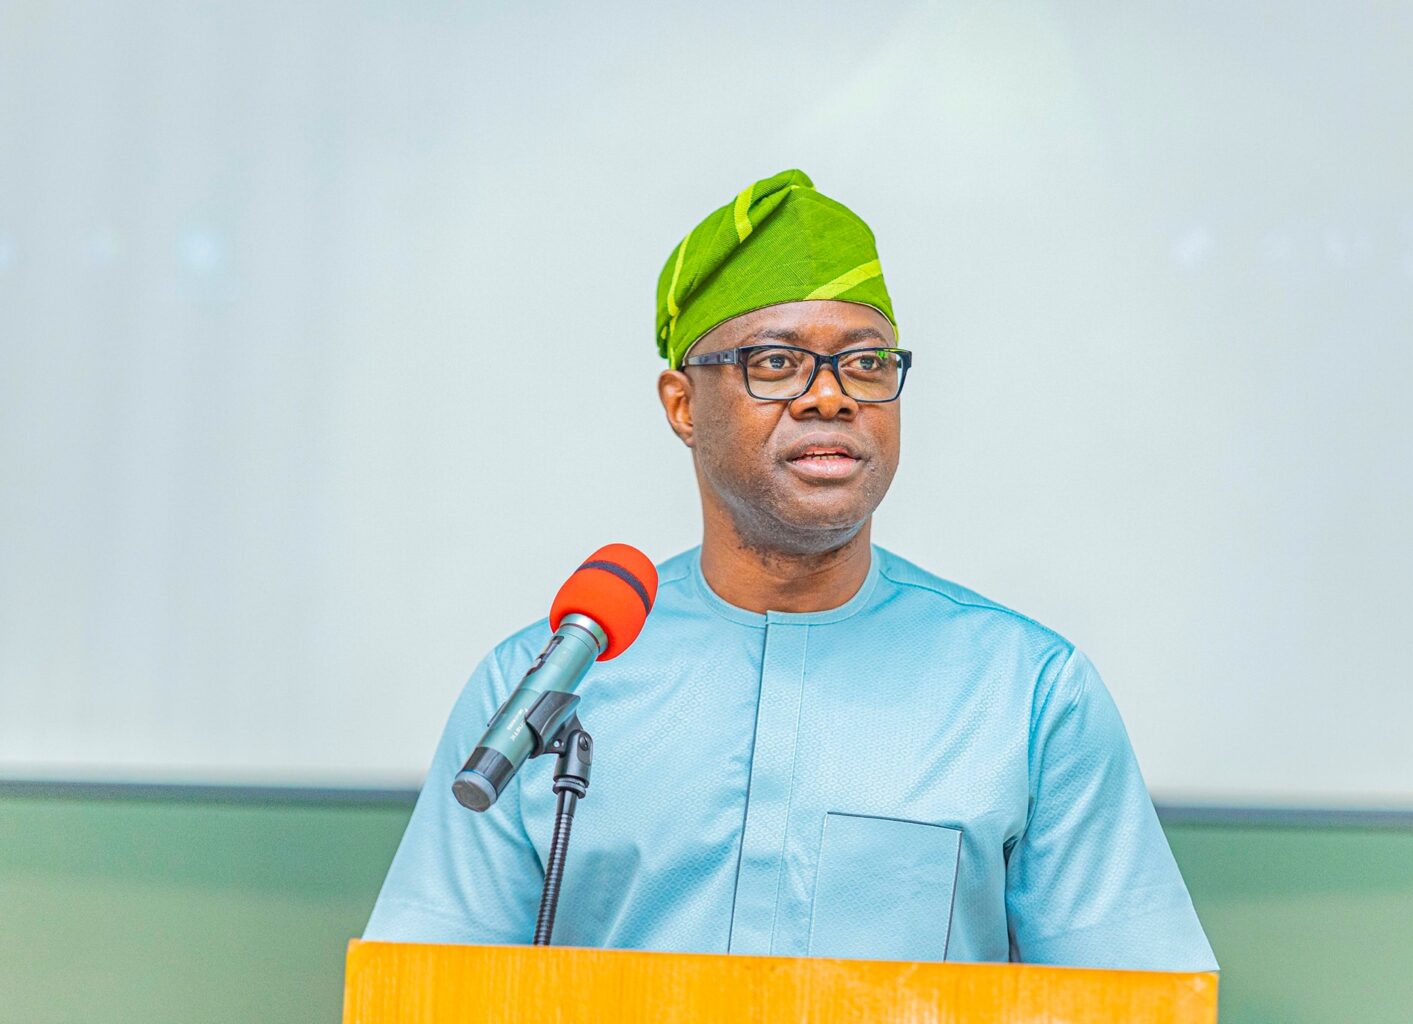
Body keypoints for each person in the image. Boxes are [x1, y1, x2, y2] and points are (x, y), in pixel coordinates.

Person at [364, 169, 1217, 970]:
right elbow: (428, 989)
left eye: (867, 362)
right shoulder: (541, 685)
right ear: (682, 405)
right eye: (775, 362)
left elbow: (1137, 1001)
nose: (830, 395)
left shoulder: (1028, 692)